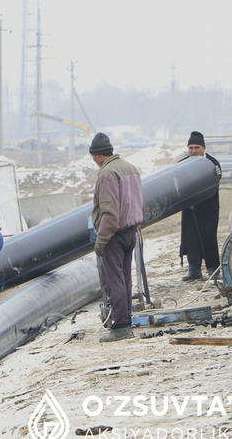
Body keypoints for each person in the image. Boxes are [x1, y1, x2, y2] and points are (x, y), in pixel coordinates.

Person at [90, 132, 144, 343]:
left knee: (114, 281)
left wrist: (101, 240)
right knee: (125, 279)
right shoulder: (130, 168)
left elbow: (109, 212)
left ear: (97, 156)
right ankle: (126, 321)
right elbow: (139, 201)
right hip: (131, 231)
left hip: (114, 234)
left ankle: (120, 326)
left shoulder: (107, 174)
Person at [178, 131, 222, 281]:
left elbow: (216, 179)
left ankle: (213, 270)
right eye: (191, 147)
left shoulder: (212, 163)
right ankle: (194, 270)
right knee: (191, 240)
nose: (193, 151)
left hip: (208, 210)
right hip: (190, 211)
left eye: (197, 147)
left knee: (209, 239)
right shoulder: (182, 164)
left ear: (203, 148)